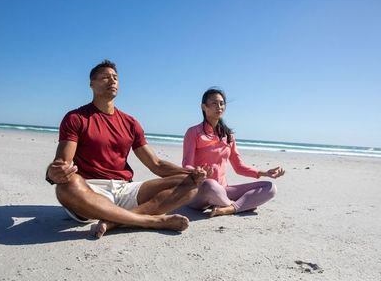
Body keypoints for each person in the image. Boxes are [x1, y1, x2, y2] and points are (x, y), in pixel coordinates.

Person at [46, 60, 207, 238]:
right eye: (105, 77)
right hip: (90, 191)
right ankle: (150, 220)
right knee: (65, 187)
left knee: (190, 185)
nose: (112, 81)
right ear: (92, 84)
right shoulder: (76, 118)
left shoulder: (130, 122)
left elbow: (156, 164)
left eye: (115, 77)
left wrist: (190, 174)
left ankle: (115, 221)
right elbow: (63, 164)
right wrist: (55, 173)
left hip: (125, 189)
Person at [182, 88, 285, 217]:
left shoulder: (228, 135)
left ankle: (229, 208)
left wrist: (264, 172)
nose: (219, 107)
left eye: (222, 103)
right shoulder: (193, 132)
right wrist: (198, 173)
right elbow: (186, 166)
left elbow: (239, 167)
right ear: (204, 107)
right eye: (214, 103)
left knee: (270, 187)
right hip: (199, 191)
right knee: (210, 184)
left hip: (223, 190)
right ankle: (240, 205)